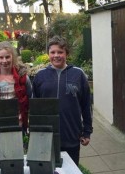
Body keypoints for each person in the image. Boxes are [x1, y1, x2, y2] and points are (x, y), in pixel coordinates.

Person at [32, 35, 93, 165]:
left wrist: (87, 131)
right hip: (47, 136)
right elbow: (34, 108)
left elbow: (86, 105)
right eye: (52, 52)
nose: (56, 55)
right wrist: (35, 131)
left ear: (67, 54)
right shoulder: (40, 76)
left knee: (70, 172)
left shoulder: (78, 74)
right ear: (48, 54)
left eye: (60, 52)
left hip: (71, 135)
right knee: (48, 172)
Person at [0, 41, 32, 133]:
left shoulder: (23, 78)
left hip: (17, 122)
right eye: (1, 57)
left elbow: (30, 97)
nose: (4, 61)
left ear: (12, 57)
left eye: (7, 57)